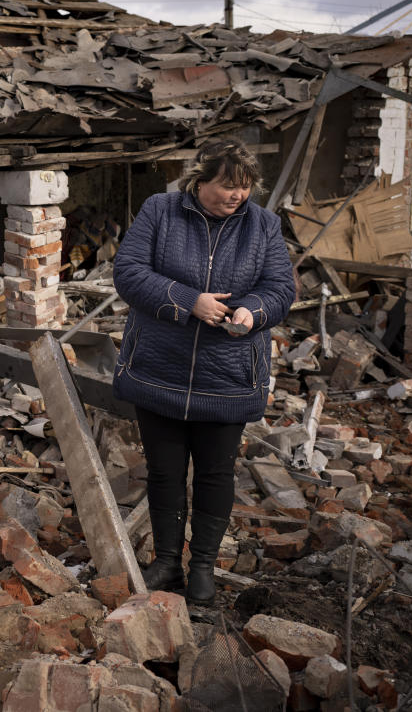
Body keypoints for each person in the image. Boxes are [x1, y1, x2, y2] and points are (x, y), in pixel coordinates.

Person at [112, 138, 295, 604]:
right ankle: (168, 562)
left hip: (227, 374)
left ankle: (203, 568)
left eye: (244, 187)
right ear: (199, 180)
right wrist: (188, 301)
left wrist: (253, 311)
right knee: (165, 472)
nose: (236, 196)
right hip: (160, 367)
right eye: (226, 186)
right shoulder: (160, 210)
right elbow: (129, 272)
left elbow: (280, 288)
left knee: (216, 474)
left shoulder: (264, 226)